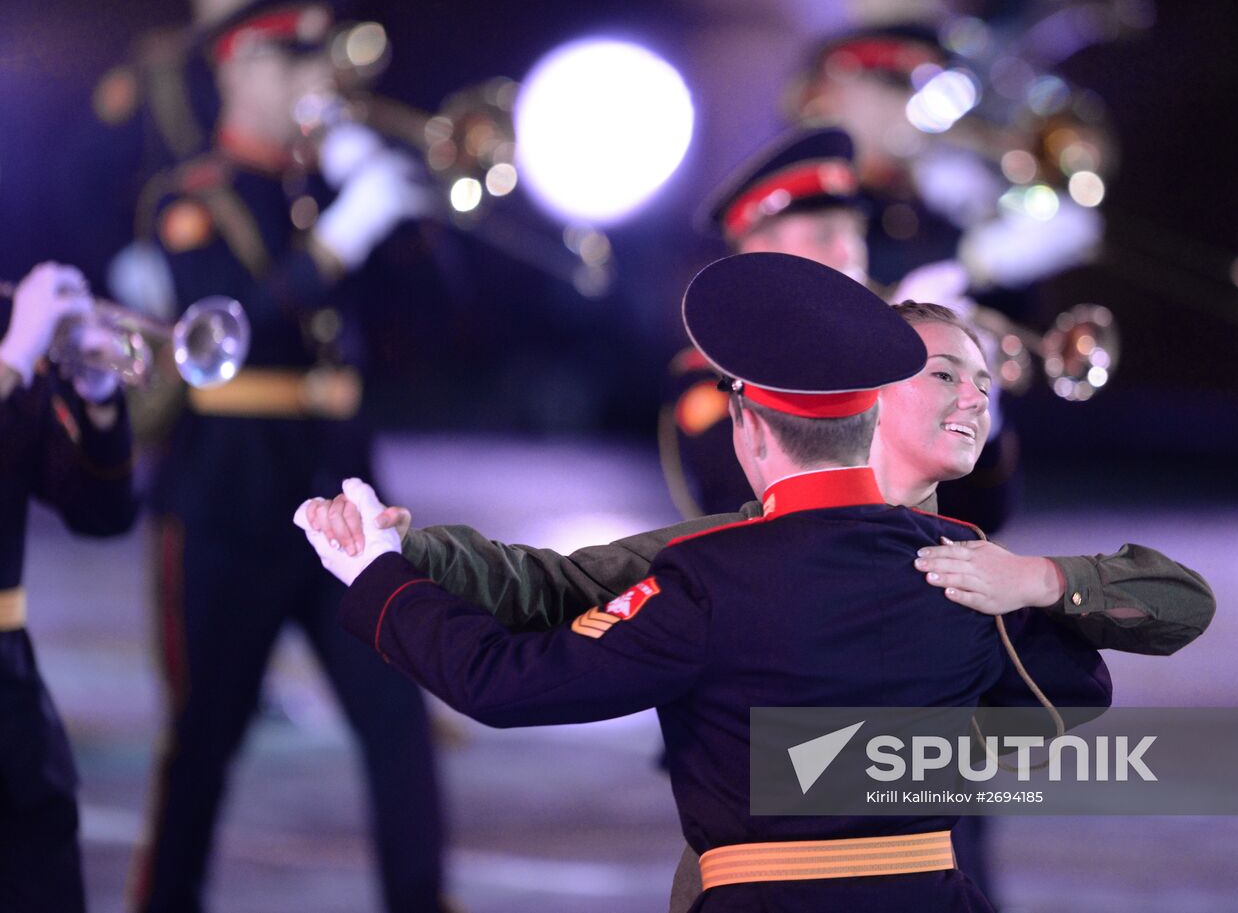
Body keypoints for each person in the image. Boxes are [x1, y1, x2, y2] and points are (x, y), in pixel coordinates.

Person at [297, 252, 1115, 911]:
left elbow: (506, 685)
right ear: (872, 418)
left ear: (748, 426)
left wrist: (377, 576)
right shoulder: (964, 561)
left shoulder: (708, 578)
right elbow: (1074, 687)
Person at [127, 0, 453, 913]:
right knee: (206, 736)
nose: (314, 75)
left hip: (338, 487)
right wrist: (335, 245)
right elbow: (219, 329)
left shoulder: (330, 185)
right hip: (227, 497)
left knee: (397, 714)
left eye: (320, 51)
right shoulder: (187, 197)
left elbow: (445, 320)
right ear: (235, 67)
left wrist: (404, 220)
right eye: (291, 55)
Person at [663, 124, 1018, 532]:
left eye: (855, 232)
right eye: (824, 234)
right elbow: (755, 505)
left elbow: (982, 520)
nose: (849, 251)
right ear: (755, 249)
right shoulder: (710, 372)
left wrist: (968, 408)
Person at [1, 262, 138, 912]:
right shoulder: (10, 354)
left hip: (13, 701)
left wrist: (98, 392)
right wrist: (13, 359)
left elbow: (100, 515)